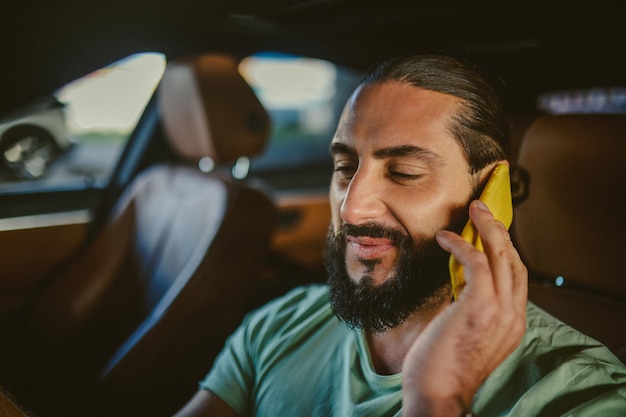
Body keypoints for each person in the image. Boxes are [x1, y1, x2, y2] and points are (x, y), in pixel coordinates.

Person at [173, 55, 626, 417]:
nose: (352, 207)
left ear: (492, 195)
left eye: (404, 172)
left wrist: (439, 403)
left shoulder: (577, 393)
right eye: (345, 168)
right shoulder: (279, 325)